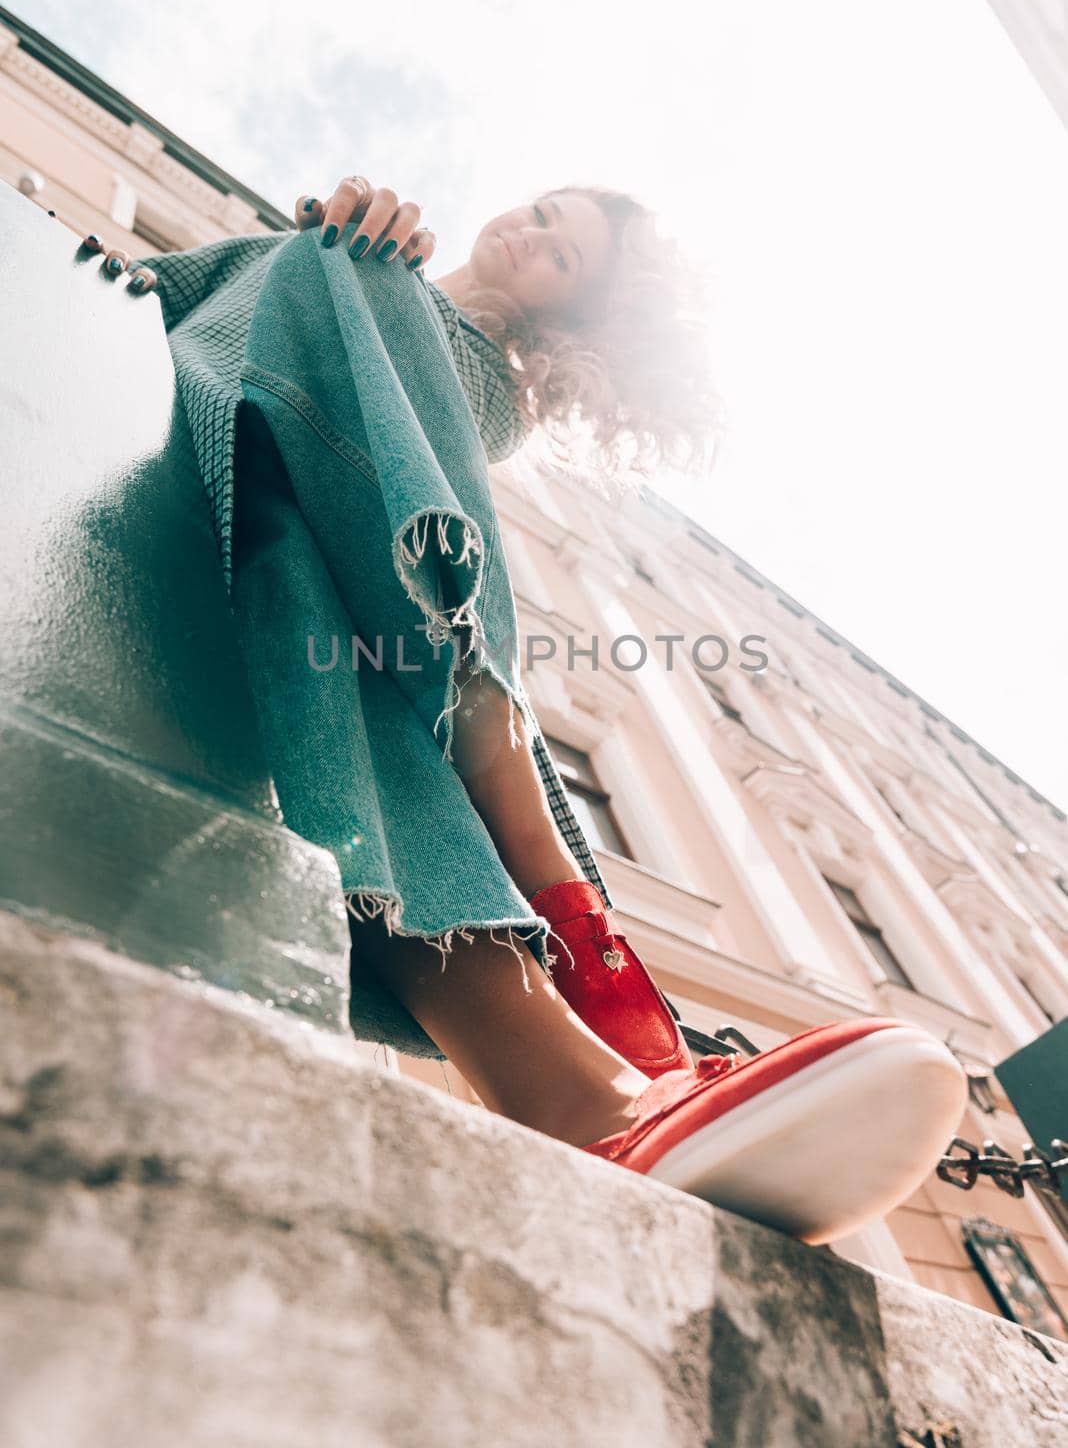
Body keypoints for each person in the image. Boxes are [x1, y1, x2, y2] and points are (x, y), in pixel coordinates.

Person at [80, 178, 967, 1246]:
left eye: (562, 255)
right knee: (345, 379)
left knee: (324, 616)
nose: (528, 232)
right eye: (543, 212)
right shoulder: (344, 257)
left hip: (263, 558)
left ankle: (577, 1038)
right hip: (159, 461)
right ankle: (574, 990)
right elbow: (122, 291)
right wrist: (341, 237)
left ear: (573, 319)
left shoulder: (458, 380)